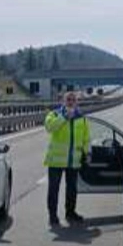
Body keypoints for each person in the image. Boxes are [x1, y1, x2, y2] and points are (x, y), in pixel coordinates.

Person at [43, 92, 90, 227]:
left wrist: (88, 153)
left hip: (73, 160)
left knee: (72, 189)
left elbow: (86, 138)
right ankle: (52, 216)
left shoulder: (82, 118)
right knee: (53, 189)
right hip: (56, 161)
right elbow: (49, 128)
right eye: (68, 99)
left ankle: (70, 213)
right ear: (63, 101)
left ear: (76, 102)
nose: (70, 101)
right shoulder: (55, 114)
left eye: (73, 100)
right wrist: (64, 117)